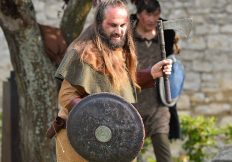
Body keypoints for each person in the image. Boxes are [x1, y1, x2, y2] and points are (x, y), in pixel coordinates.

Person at [46, 0, 172, 162]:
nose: (119, 31)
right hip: (80, 138)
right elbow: (67, 96)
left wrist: (151, 73)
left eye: (123, 25)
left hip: (113, 136)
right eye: (113, 25)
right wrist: (100, 115)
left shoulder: (119, 49)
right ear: (99, 24)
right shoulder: (81, 52)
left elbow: (117, 85)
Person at [130, 0, 181, 161]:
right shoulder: (127, 33)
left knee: (164, 152)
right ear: (139, 15)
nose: (153, 19)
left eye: (156, 15)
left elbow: (173, 63)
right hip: (132, 102)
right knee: (130, 152)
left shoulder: (165, 34)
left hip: (157, 104)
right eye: (148, 14)